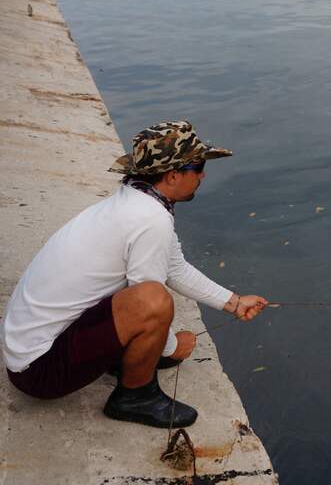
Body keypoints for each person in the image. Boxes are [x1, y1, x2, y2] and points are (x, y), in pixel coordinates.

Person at [2, 121, 267, 428]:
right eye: (198, 167)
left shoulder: (135, 200)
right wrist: (172, 347)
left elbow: (175, 267)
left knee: (148, 298)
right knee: (155, 300)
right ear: (173, 175)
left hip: (31, 352)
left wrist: (234, 303)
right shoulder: (151, 219)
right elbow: (147, 301)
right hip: (40, 372)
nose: (203, 175)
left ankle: (130, 360)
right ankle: (136, 396)